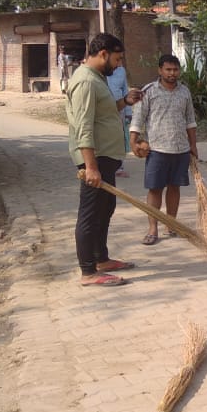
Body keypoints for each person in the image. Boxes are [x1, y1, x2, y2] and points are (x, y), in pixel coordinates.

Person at [65, 33, 144, 287]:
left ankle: (102, 260)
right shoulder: (86, 82)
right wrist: (90, 166)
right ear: (103, 54)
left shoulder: (97, 78)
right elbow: (84, 127)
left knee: (105, 209)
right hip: (95, 159)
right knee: (90, 214)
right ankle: (88, 272)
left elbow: (103, 113)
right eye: (117, 59)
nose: (119, 64)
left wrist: (124, 102)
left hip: (105, 157)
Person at [129, 54, 198, 245]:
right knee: (155, 189)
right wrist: (133, 142)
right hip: (157, 150)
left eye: (175, 69)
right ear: (160, 70)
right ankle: (153, 229)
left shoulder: (184, 92)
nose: (172, 73)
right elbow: (138, 119)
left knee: (174, 187)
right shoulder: (149, 91)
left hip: (180, 149)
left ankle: (171, 223)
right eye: (168, 69)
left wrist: (193, 145)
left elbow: (190, 120)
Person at [106, 61, 132, 177]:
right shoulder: (99, 71)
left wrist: (128, 112)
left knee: (120, 138)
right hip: (104, 110)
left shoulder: (121, 71)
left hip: (120, 110)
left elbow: (125, 90)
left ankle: (119, 166)